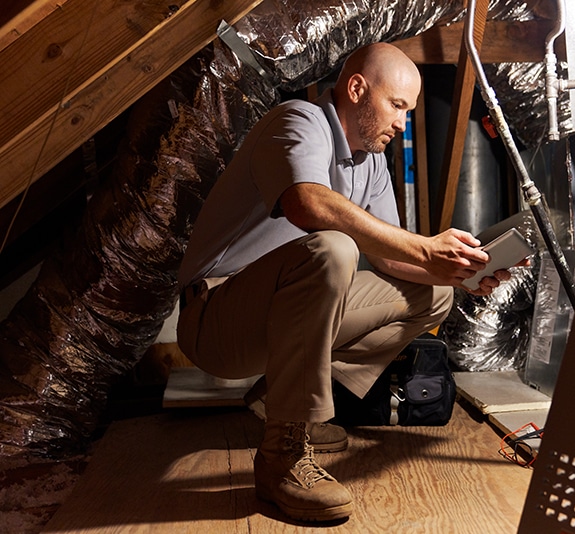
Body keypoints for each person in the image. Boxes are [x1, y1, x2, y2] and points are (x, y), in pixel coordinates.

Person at [176, 42, 514, 523]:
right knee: (333, 248)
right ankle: (283, 457)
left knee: (432, 293)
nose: (403, 123)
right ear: (357, 88)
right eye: (397, 106)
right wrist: (424, 247)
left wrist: (458, 273)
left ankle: (279, 404)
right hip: (215, 320)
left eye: (409, 112)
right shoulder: (298, 121)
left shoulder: (371, 161)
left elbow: (395, 263)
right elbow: (306, 205)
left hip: (278, 315)